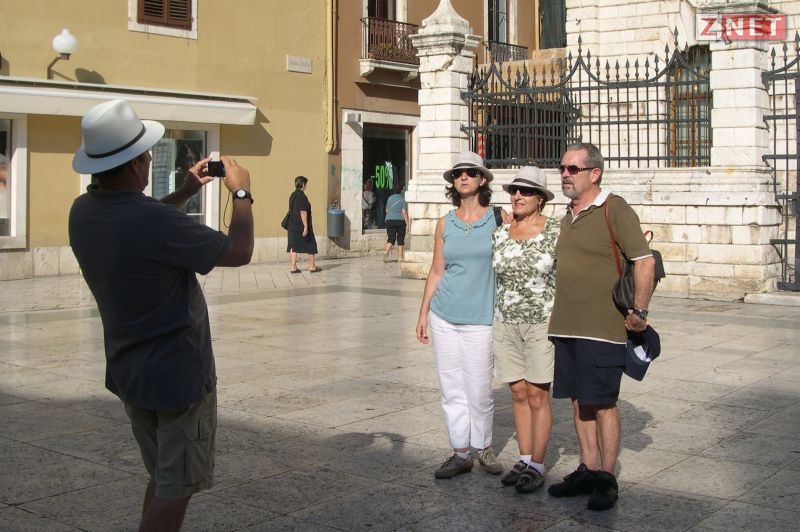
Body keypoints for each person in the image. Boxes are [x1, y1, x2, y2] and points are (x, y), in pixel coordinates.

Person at [68, 99, 254, 531]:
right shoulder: (150, 220)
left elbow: (143, 221)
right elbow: (239, 251)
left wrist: (186, 191)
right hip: (178, 375)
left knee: (162, 474)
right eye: (147, 155)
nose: (151, 160)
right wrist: (242, 194)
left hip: (130, 371)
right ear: (134, 164)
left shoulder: (84, 211)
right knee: (177, 485)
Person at [547, 142, 655, 511]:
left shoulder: (614, 208)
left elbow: (644, 261)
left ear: (595, 173)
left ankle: (607, 477)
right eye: (562, 168)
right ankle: (588, 468)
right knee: (579, 401)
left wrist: (639, 311)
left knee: (604, 403)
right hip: (567, 327)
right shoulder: (568, 214)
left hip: (603, 329)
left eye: (573, 169)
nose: (565, 174)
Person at [415, 151, 503, 479]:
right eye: (457, 173)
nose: (463, 177)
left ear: (482, 179)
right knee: (451, 388)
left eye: (470, 172)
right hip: (444, 316)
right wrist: (423, 312)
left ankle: (484, 448)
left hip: (481, 317)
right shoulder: (445, 222)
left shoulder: (499, 219)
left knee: (479, 389)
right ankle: (460, 452)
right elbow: (437, 270)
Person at [492, 166, 559, 494]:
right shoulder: (500, 233)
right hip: (505, 321)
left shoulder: (556, 231)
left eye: (526, 191)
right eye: (514, 191)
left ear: (541, 198)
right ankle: (524, 457)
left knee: (537, 393)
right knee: (518, 392)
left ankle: (538, 463)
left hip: (541, 321)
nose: (518, 196)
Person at [287, 175, 321, 273]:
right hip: (301, 225)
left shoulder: (292, 195)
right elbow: (303, 212)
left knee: (293, 245)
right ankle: (312, 266)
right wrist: (306, 226)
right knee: (311, 244)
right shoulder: (302, 196)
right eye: (305, 184)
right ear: (303, 184)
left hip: (292, 224)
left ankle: (293, 267)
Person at [384, 181, 409, 262]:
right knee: (400, 239)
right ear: (401, 190)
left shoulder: (389, 198)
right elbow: (404, 212)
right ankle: (400, 257)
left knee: (391, 239)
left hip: (389, 220)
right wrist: (407, 224)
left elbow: (387, 210)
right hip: (400, 221)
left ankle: (386, 253)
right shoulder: (402, 199)